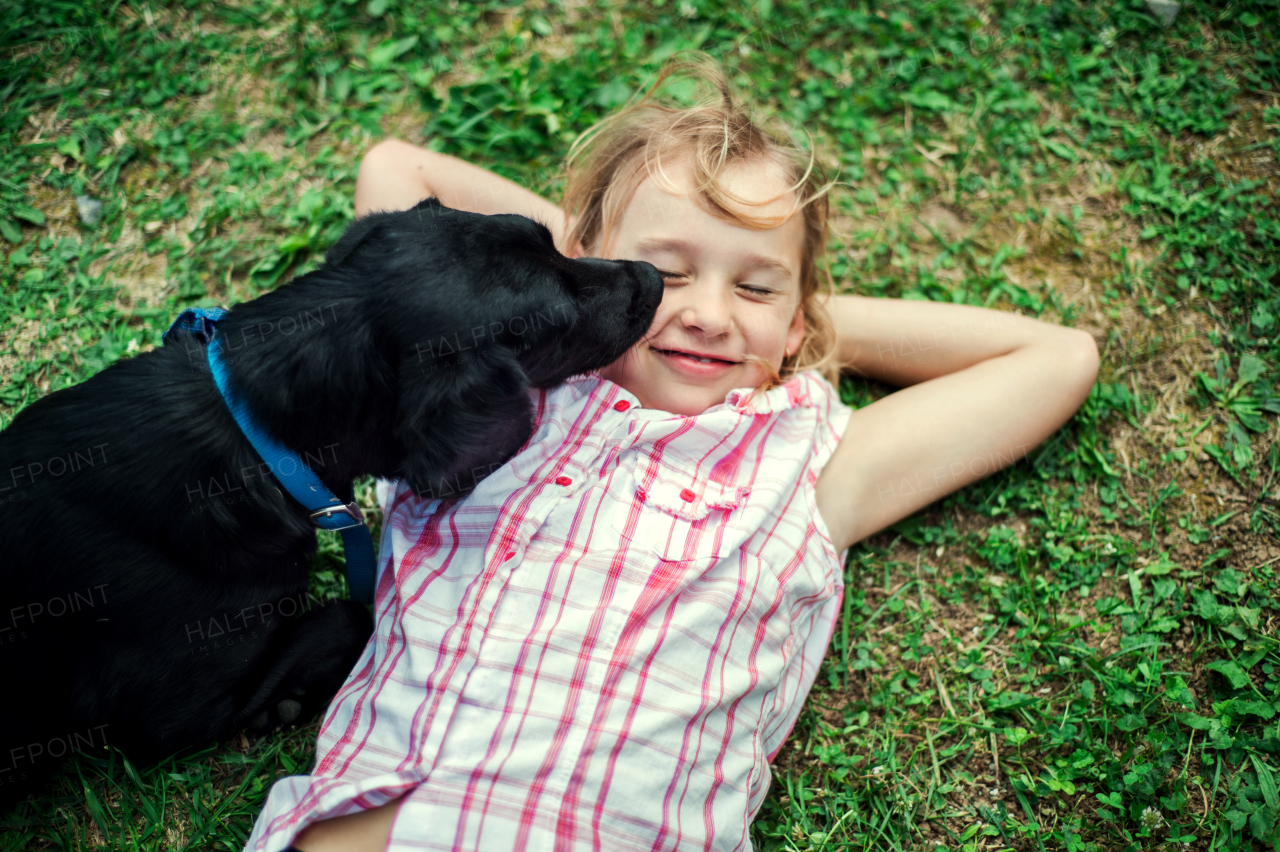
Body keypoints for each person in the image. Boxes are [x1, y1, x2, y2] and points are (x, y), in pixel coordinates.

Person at [246, 54, 1098, 852]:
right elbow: (403, 174)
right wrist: (583, 280)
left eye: (755, 287)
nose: (711, 316)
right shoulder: (474, 386)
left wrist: (803, 326)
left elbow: (1056, 359)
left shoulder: (805, 464)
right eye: (669, 274)